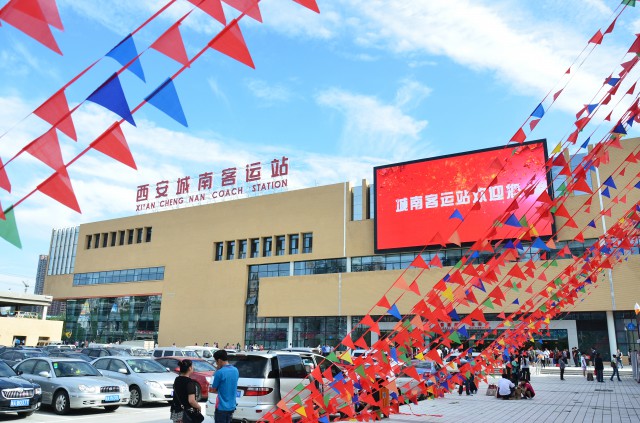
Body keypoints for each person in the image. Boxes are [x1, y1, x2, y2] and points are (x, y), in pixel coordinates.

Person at [211, 349, 240, 423]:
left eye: (216, 362)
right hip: (232, 406)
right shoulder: (236, 370)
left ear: (219, 360)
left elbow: (213, 389)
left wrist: (217, 370)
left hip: (221, 407)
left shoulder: (219, 372)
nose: (216, 364)